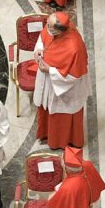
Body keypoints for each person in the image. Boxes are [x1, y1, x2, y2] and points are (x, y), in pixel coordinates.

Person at [32, 11, 88, 150]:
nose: (46, 26)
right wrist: (39, 49)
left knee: (60, 117)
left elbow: (73, 77)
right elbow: (42, 38)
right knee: (46, 109)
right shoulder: (51, 29)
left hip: (63, 88)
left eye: (49, 26)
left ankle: (60, 141)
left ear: (59, 31)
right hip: (48, 81)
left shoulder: (75, 48)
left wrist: (50, 71)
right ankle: (45, 134)